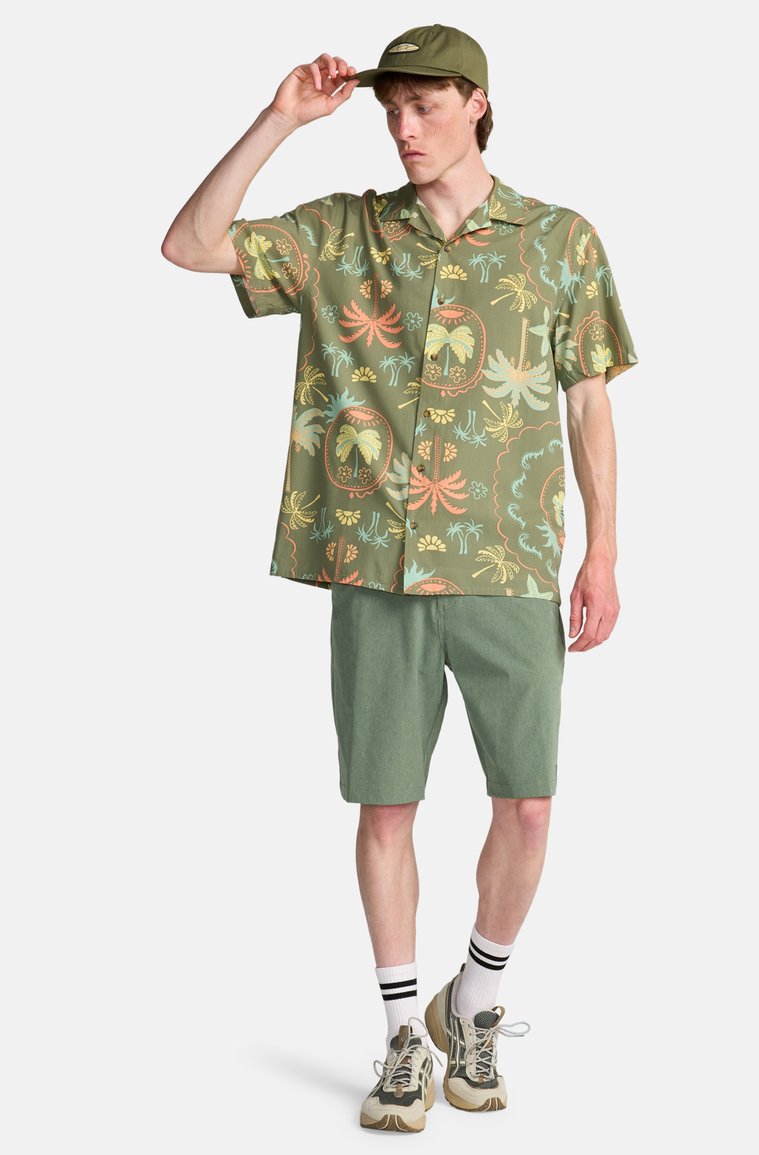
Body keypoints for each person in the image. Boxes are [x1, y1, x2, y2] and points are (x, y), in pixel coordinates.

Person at [162, 23, 638, 1133]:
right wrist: (281, 119)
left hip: (508, 561)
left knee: (527, 803)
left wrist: (603, 549)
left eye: (423, 106)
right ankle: (397, 1040)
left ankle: (473, 999)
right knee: (386, 807)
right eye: (391, 110)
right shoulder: (341, 233)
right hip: (374, 563)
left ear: (477, 104)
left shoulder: (559, 241)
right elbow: (190, 245)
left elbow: (588, 401)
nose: (402, 128)